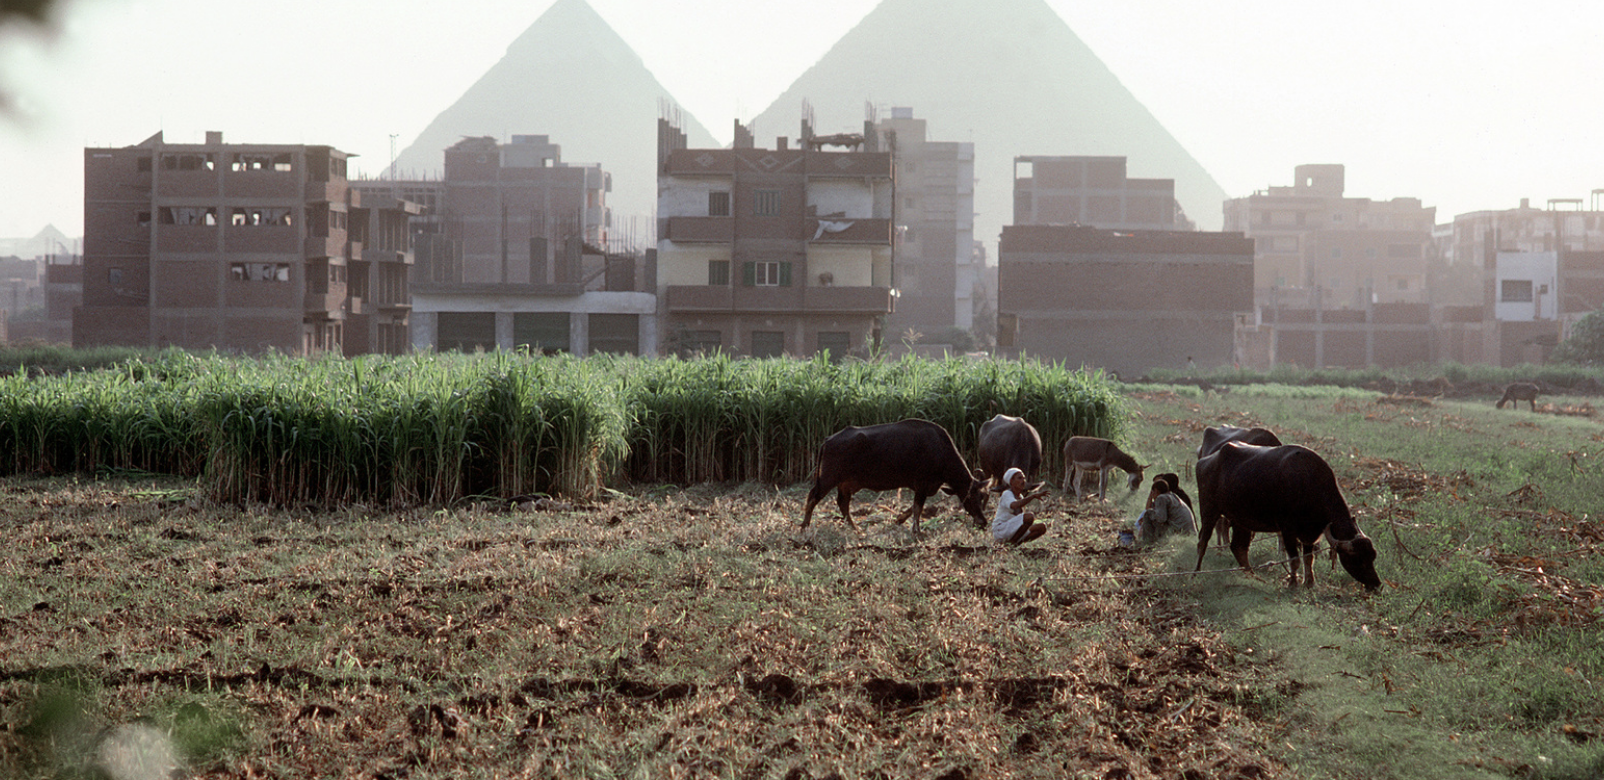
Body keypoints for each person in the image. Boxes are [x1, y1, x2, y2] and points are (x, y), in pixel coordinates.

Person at [1130, 475, 1195, 546]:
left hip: (1179, 531)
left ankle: (1147, 543)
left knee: (1148, 513)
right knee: (1150, 514)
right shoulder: (1172, 496)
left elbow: (1161, 519)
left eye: (1153, 492)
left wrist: (1149, 517)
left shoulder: (1161, 498)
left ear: (1156, 491)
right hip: (1187, 531)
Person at [993, 467, 1049, 545]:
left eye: (1024, 478)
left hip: (1012, 530)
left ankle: (1015, 543)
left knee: (1042, 527)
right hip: (1002, 530)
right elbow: (1014, 505)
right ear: (1011, 481)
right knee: (1029, 517)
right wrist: (1033, 496)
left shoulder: (1020, 497)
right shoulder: (1007, 494)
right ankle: (1011, 543)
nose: (1023, 481)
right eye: (1019, 478)